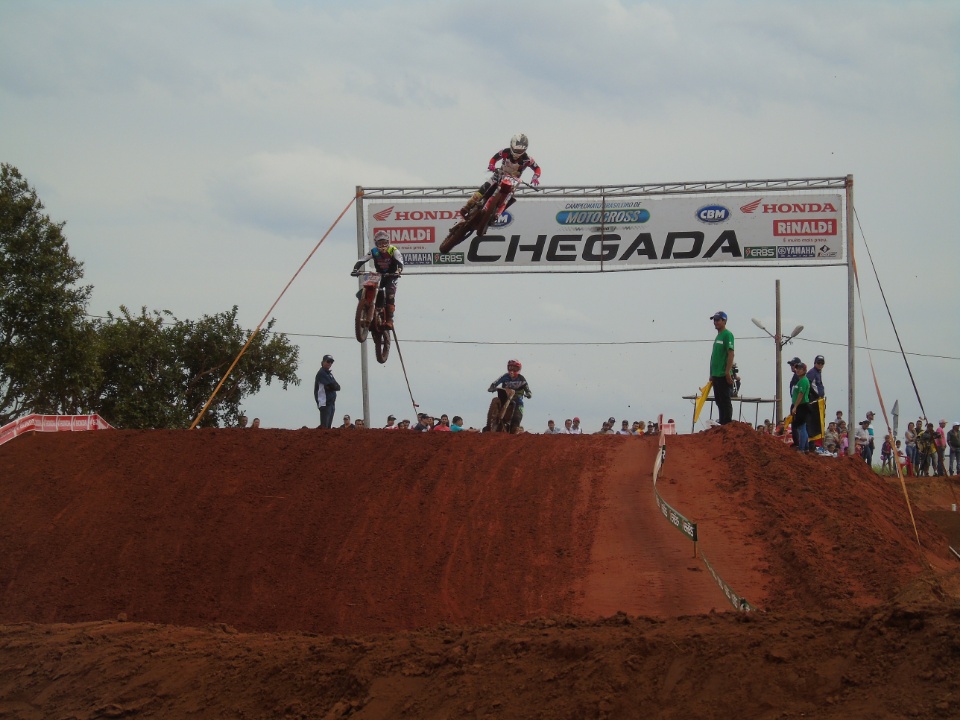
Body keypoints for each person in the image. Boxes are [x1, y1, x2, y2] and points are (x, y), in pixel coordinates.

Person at [459, 133, 542, 218]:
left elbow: (537, 168)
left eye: (520, 151)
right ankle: (467, 206)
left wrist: (535, 176)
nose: (517, 153)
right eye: (516, 150)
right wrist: (492, 165)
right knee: (485, 187)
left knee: (509, 197)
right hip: (500, 174)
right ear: (512, 146)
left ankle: (498, 214)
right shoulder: (505, 152)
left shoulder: (528, 159)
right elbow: (494, 158)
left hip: (513, 180)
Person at [351, 229, 404, 329]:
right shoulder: (374, 251)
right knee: (363, 290)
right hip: (379, 274)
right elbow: (362, 260)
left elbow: (400, 262)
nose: (383, 246)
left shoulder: (393, 250)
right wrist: (355, 269)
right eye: (380, 243)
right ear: (376, 244)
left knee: (390, 294)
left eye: (384, 243)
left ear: (388, 242)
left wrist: (398, 271)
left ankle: (389, 320)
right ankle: (364, 308)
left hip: (391, 275)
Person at [487, 359, 532, 433]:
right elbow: (496, 382)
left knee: (519, 405)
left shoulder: (521, 379)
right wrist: (492, 387)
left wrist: (528, 394)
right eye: (510, 367)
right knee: (499, 398)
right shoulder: (505, 376)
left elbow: (527, 389)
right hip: (506, 395)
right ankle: (492, 419)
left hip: (516, 396)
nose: (512, 370)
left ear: (518, 369)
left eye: (514, 368)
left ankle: (515, 426)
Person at [708, 311, 735, 425]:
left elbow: (731, 353)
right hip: (716, 374)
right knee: (718, 400)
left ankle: (727, 422)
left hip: (723, 374)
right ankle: (722, 421)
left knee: (725, 400)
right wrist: (711, 373)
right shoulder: (718, 336)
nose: (715, 322)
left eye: (718, 320)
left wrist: (728, 371)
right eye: (714, 320)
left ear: (724, 321)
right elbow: (714, 356)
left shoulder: (727, 334)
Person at [314, 355, 340, 429]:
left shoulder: (329, 374)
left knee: (328, 426)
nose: (330, 363)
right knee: (324, 426)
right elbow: (332, 385)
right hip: (324, 402)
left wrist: (332, 386)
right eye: (328, 361)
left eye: (331, 362)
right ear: (323, 362)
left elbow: (337, 387)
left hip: (331, 402)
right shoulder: (321, 373)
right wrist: (332, 386)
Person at [790, 362, 811, 452]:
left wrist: (795, 406)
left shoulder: (803, 381)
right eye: (797, 368)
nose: (798, 370)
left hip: (801, 406)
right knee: (802, 427)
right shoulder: (801, 380)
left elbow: (801, 394)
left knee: (801, 427)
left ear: (804, 370)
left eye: (800, 369)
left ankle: (802, 448)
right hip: (801, 405)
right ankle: (805, 447)